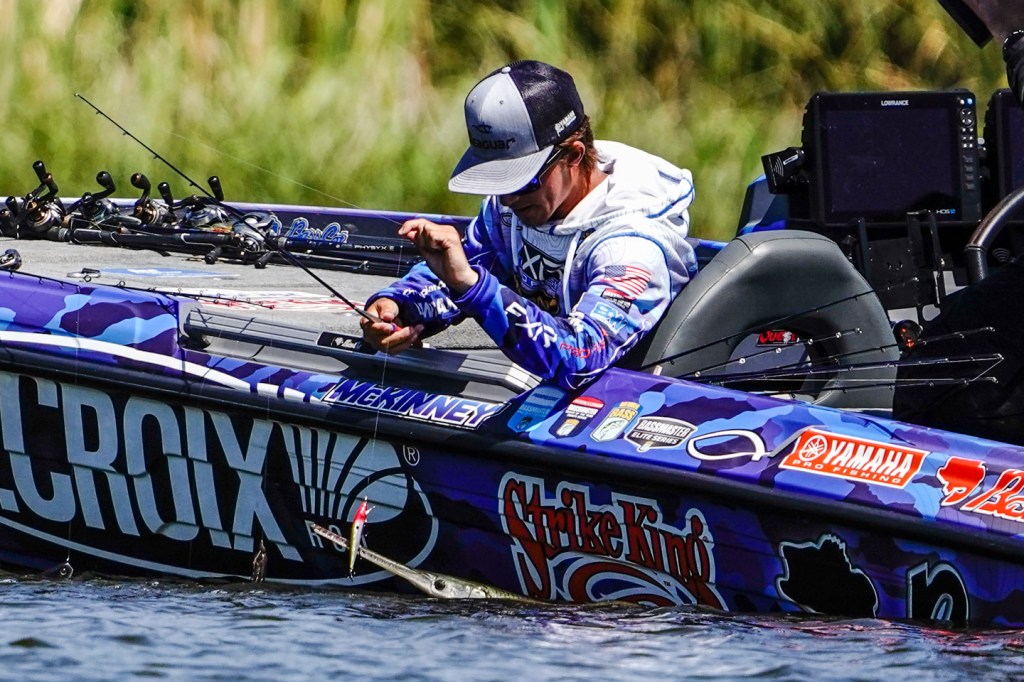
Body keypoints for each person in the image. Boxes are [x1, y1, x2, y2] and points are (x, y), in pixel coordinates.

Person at [360, 60, 696, 391]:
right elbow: (469, 267)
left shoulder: (633, 250)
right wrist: (398, 308)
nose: (507, 199)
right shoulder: (518, 206)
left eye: (522, 180)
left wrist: (472, 286)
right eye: (497, 180)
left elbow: (580, 358)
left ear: (574, 155)